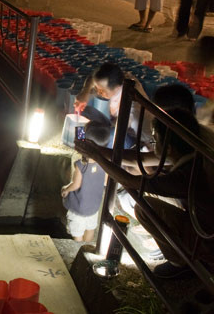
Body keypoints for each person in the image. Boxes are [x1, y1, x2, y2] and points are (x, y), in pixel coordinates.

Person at [76, 108, 214, 279]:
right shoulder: (190, 151)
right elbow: (137, 159)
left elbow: (130, 182)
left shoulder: (188, 174)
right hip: (202, 225)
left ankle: (181, 263)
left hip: (208, 241)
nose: (152, 144)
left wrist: (97, 156)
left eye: (155, 141)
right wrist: (96, 150)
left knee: (145, 208)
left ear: (168, 148)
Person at [61, 122, 108, 242]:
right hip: (94, 206)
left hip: (79, 207)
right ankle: (86, 248)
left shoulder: (81, 165)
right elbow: (105, 181)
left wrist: (66, 189)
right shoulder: (105, 163)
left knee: (77, 231)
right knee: (90, 228)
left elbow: (76, 184)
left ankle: (78, 250)